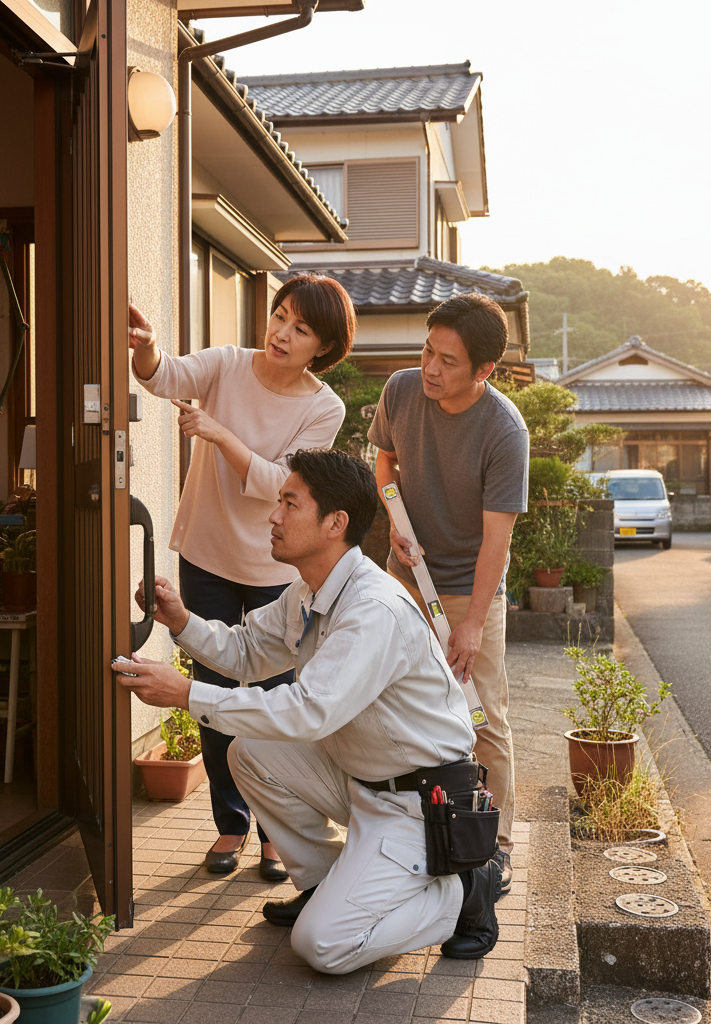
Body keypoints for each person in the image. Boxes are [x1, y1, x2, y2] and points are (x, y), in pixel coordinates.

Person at [114, 449, 500, 975]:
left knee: (321, 947)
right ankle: (323, 886)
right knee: (251, 753)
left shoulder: (372, 610)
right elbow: (248, 650)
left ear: (334, 524)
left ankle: (466, 892)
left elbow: (308, 712)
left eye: (289, 504)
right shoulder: (309, 591)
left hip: (420, 804)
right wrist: (182, 621)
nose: (273, 516)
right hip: (362, 778)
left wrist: (187, 694)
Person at [128, 275, 355, 881]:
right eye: (280, 315)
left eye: (301, 328)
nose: (282, 332)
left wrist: (217, 431)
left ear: (322, 346)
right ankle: (230, 823)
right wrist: (146, 347)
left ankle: (277, 833)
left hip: (274, 568)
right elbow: (164, 375)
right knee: (212, 691)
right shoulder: (226, 365)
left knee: (273, 699)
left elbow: (279, 481)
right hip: (206, 552)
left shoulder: (322, 406)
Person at [367, 293, 529, 894]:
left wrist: (472, 624)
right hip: (402, 576)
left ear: (484, 369)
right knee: (393, 700)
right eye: (427, 351)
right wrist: (395, 520)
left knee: (483, 713)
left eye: (448, 361)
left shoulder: (503, 429)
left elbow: (498, 539)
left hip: (468, 586)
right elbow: (384, 465)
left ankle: (497, 845)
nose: (431, 369)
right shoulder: (403, 390)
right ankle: (409, 829)